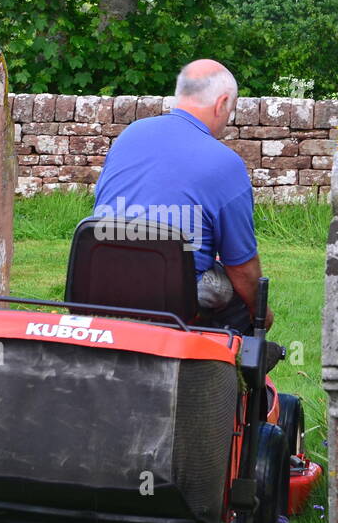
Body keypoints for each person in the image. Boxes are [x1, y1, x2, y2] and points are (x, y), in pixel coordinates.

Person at [92, 59, 274, 334]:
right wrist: (262, 314)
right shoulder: (225, 163)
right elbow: (242, 267)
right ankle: (227, 372)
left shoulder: (129, 135)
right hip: (173, 298)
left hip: (100, 282)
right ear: (222, 103)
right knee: (240, 297)